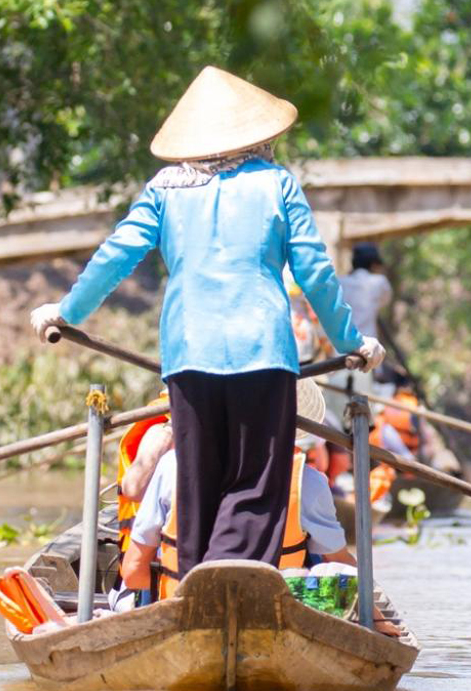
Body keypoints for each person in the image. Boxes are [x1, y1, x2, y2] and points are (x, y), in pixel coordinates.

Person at [31, 67, 382, 582]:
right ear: (258, 137)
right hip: (263, 355)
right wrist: (353, 343)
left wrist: (66, 312)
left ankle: (196, 585)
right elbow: (314, 272)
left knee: (197, 484)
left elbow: (115, 255)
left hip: (188, 355)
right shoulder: (277, 184)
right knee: (256, 487)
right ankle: (231, 584)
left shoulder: (165, 189)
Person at [116, 381, 352, 603]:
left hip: (188, 608)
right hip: (274, 611)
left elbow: (133, 573)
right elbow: (346, 570)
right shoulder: (308, 481)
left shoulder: (171, 465)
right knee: (325, 563)